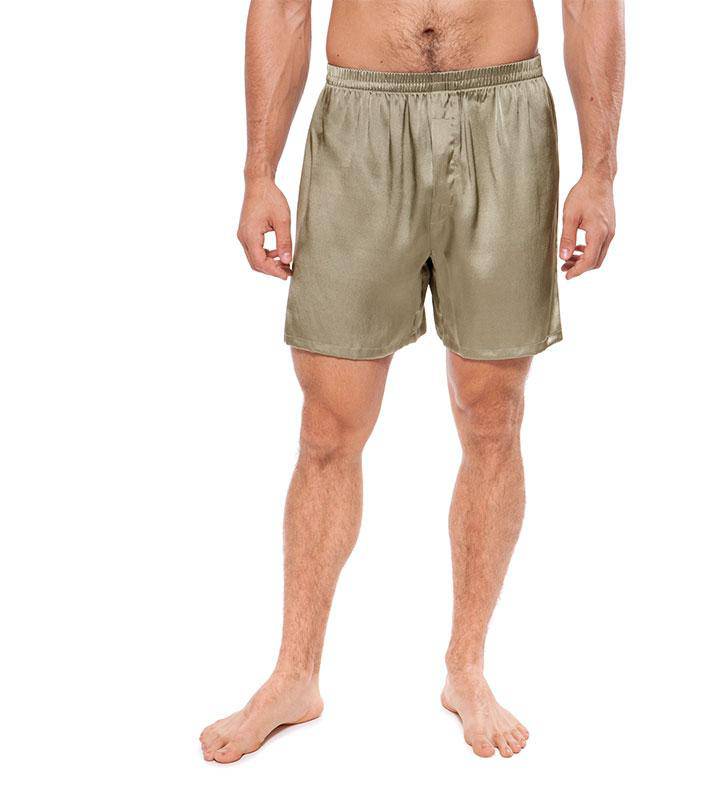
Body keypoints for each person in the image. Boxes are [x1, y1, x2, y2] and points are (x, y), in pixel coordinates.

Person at [201, 0, 624, 762]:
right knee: (328, 428)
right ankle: (295, 675)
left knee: (493, 416)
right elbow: (284, 7)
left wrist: (601, 171)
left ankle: (467, 668)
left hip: (504, 116)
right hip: (361, 122)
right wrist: (258, 173)